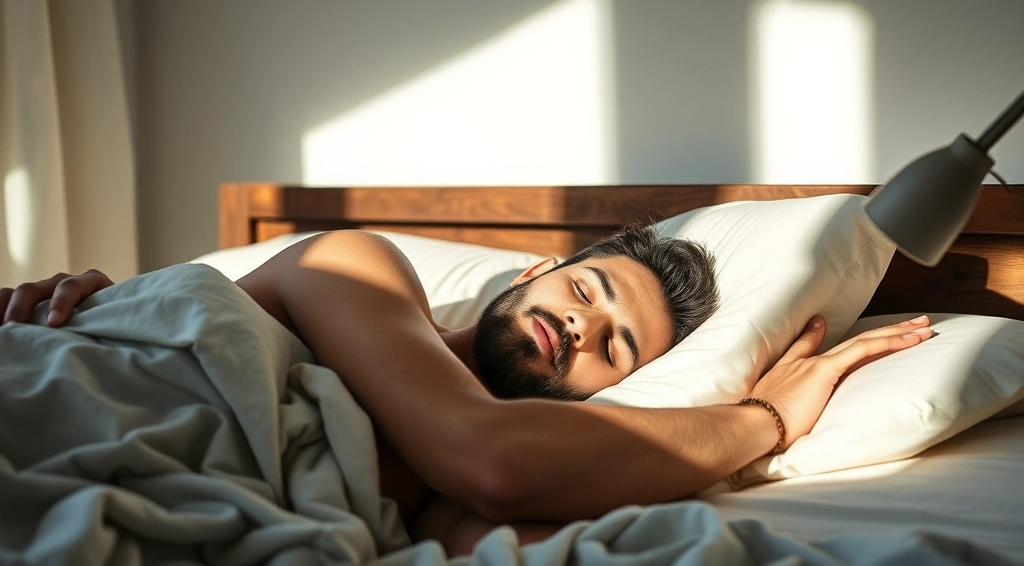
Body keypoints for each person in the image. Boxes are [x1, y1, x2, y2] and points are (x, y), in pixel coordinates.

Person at [0, 226, 933, 556]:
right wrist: (763, 419)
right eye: (584, 291)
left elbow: (502, 516)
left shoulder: (440, 495)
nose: (581, 327)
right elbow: (493, 457)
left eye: (614, 347)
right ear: (532, 271)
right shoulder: (358, 264)